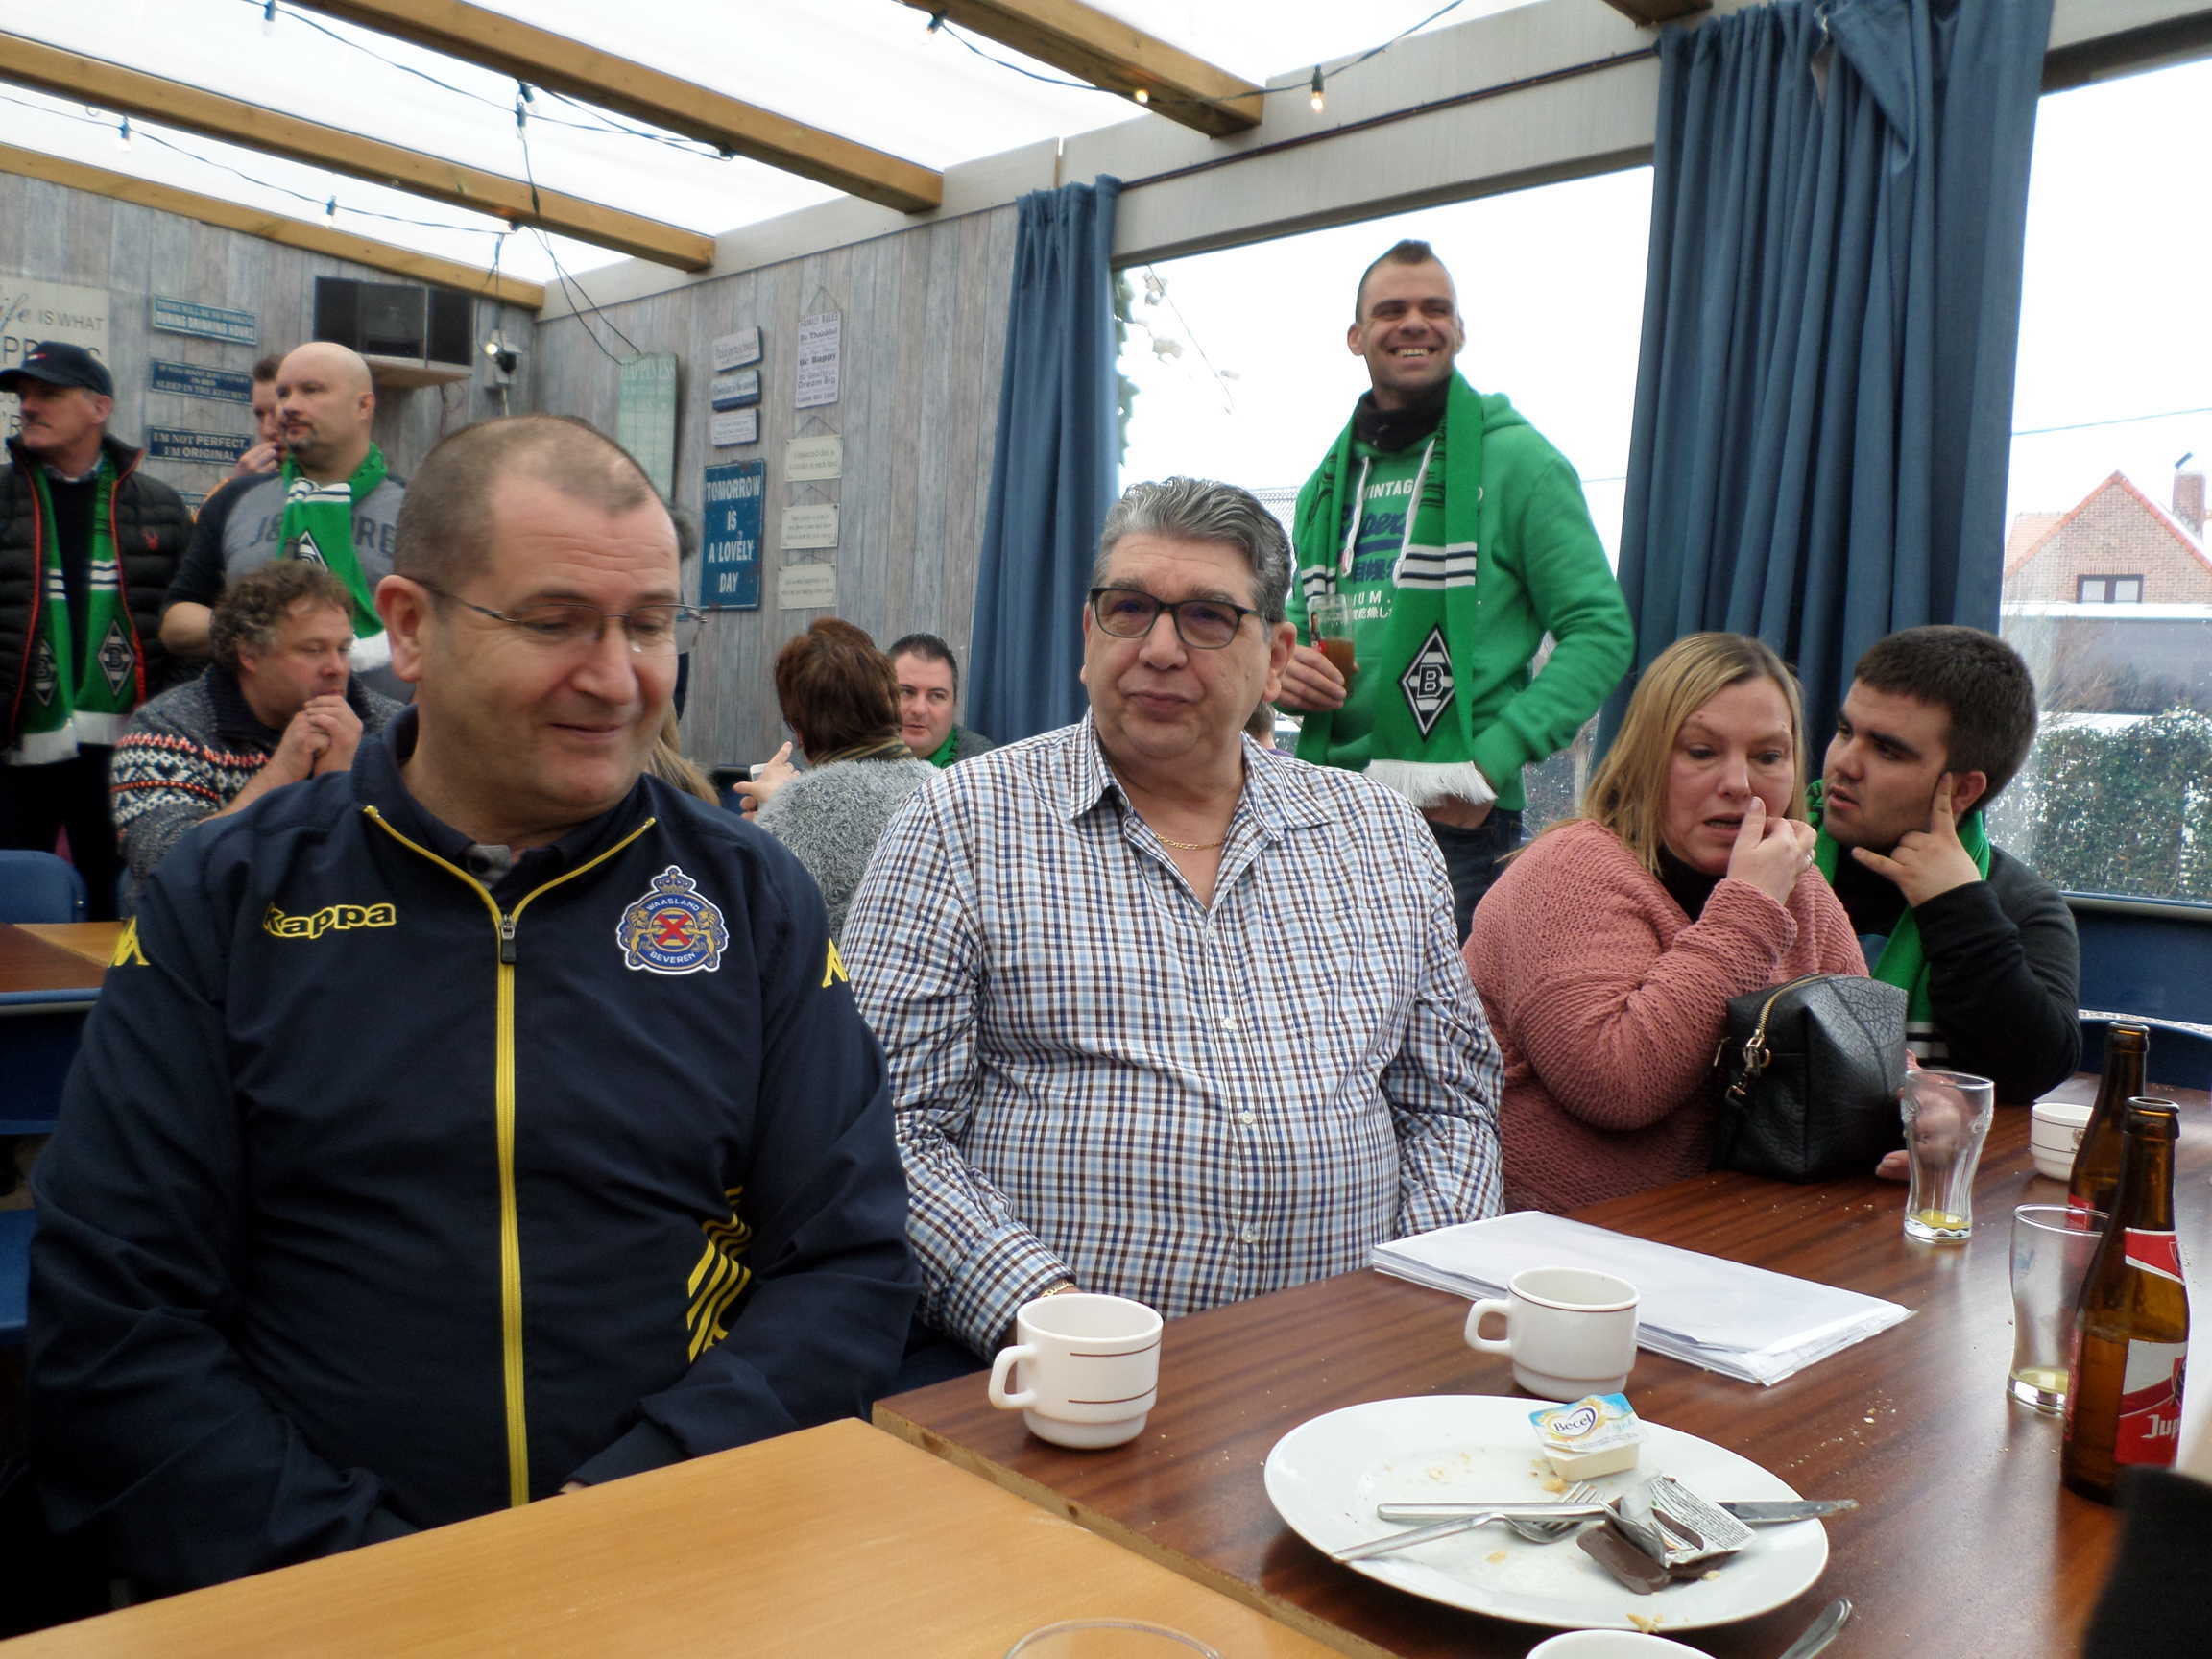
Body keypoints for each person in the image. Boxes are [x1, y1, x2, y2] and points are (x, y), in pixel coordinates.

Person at [29, 414, 917, 1594]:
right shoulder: (231, 895)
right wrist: (373, 1577)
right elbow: (116, 1305)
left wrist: (634, 1508)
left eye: (650, 624)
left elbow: (847, 1263)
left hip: (666, 1560)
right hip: (307, 1592)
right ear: (408, 628)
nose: (618, 678)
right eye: (554, 622)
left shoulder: (749, 898)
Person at [842, 476, 1503, 1363]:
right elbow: (884, 1125)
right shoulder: (959, 825)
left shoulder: (1380, 835)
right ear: (1088, 634)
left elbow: (1449, 1106)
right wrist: (1052, 1317)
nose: (1158, 649)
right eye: (1129, 609)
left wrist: (1416, 1298)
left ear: (1276, 657)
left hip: (1348, 1369)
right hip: (1051, 1380)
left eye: (1206, 618)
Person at [1274, 239, 1633, 942]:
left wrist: (1488, 765)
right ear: (1356, 337)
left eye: (1434, 309)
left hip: (1456, 820)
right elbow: (1295, 622)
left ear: (1460, 331)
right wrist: (1283, 669)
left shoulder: (1519, 461)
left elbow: (1601, 631)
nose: (1414, 322)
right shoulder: (1325, 483)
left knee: (1442, 1018)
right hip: (1325, 807)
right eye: (1391, 311)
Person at [1462, 633, 1865, 1214]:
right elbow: (1616, 1085)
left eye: (1768, 757)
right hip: (1556, 1241)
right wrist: (1750, 907)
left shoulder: (1798, 887)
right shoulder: (1567, 870)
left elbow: (1858, 1044)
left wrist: (1918, 1106)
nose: (1740, 783)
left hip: (1735, 1231)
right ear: (1647, 760)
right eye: (1701, 752)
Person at [1813, 625, 2080, 1103]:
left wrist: (1957, 909)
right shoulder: (1770, 854)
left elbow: (2033, 1072)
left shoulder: (2018, 903)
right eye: (1846, 731)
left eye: (1887, 751)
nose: (1844, 764)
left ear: (1961, 790)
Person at [0, 341, 189, 919]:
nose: (29, 406)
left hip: (124, 752)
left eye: (48, 394)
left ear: (99, 408)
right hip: (15, 746)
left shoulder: (159, 506)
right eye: (24, 395)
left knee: (118, 903)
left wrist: (165, 721)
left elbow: (186, 623)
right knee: (15, 904)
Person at [108, 562, 401, 908]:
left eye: (343, 649)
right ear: (249, 653)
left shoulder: (391, 727)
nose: (336, 668)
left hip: (354, 928)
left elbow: (420, 864)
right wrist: (282, 773)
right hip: (213, 934)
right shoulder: (167, 730)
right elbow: (167, 867)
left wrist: (342, 787)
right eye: (313, 650)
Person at [159, 342, 408, 699]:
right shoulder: (234, 500)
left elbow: (444, 627)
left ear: (363, 405)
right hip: (248, 728)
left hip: (379, 725)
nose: (288, 406)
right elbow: (176, 621)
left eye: (311, 390)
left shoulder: (414, 508)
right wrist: (263, 629)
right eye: (283, 393)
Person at [734, 618, 932, 939]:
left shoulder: (794, 811)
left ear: (799, 729)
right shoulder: (949, 790)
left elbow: (756, 931)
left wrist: (771, 820)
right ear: (891, 703)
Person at [886, 632, 996, 766]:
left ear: (954, 704)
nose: (919, 709)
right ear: (879, 695)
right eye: (906, 692)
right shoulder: (859, 756)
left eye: (937, 695)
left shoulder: (985, 766)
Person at [195, 352, 286, 509]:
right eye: (260, 415)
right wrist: (237, 491)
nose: (267, 430)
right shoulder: (233, 485)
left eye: (277, 413)